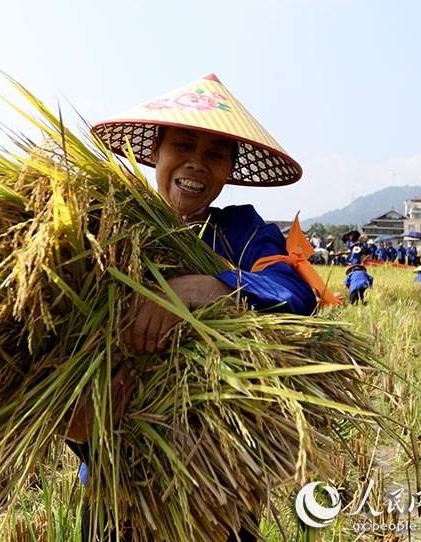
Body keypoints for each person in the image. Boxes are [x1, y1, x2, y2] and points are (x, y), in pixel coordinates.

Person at [79, 73, 337, 541]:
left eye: (216, 154)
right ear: (156, 151)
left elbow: (293, 295)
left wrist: (201, 288)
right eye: (183, 145)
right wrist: (84, 419)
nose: (197, 164)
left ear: (230, 169)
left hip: (218, 481)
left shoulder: (240, 230)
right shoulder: (109, 226)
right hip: (115, 472)